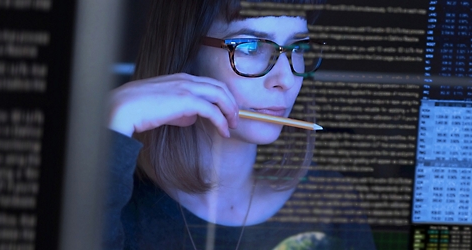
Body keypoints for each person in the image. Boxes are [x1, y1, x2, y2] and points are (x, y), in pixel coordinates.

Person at [104, 0, 377, 249]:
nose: (286, 79)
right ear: (186, 52)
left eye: (299, 47)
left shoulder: (330, 203)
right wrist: (113, 125)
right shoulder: (114, 198)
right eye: (250, 46)